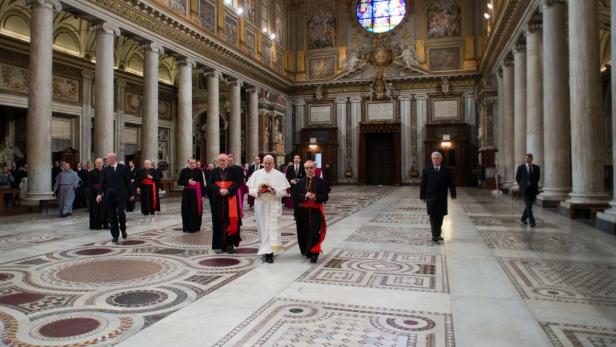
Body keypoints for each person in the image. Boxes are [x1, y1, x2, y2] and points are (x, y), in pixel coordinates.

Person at [247, 155, 291, 263]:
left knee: (272, 228)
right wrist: (258, 191)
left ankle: (270, 252)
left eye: (269, 163)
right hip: (261, 205)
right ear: (262, 163)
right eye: (265, 163)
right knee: (262, 228)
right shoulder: (256, 174)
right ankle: (264, 249)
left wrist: (275, 191)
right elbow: (250, 190)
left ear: (273, 164)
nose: (267, 165)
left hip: (274, 205)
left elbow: (285, 192)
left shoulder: (279, 175)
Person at [293, 160, 330, 263]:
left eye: (311, 167)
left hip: (315, 211)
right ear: (304, 169)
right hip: (302, 212)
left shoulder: (321, 181)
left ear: (314, 168)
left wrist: (315, 197)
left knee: (314, 230)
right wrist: (305, 195)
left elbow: (325, 197)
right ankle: (306, 250)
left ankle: (314, 252)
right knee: (303, 230)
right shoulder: (300, 182)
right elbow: (295, 196)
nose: (309, 170)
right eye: (307, 168)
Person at [207, 153, 243, 253]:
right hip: (217, 200)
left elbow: (238, 182)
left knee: (230, 221)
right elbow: (209, 184)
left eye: (224, 160)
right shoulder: (214, 171)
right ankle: (219, 244)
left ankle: (229, 244)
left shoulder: (233, 171)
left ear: (228, 161)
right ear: (217, 162)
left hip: (230, 200)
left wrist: (228, 190)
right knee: (218, 222)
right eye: (220, 160)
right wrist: (219, 190)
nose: (222, 162)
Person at [96, 153, 134, 243]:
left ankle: (123, 229)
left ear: (114, 158)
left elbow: (128, 181)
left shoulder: (123, 168)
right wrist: (99, 194)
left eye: (109, 158)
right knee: (112, 217)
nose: (107, 160)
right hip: (110, 196)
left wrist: (131, 194)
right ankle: (115, 235)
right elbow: (101, 183)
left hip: (121, 195)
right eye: (107, 158)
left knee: (121, 213)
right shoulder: (106, 170)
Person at [420, 151, 456, 242]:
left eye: (437, 158)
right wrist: (422, 196)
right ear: (432, 160)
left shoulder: (447, 170)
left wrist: (453, 194)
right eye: (434, 158)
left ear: (441, 159)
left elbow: (451, 183)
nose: (436, 160)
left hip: (442, 197)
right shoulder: (426, 170)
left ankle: (438, 234)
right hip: (431, 197)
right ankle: (434, 235)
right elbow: (423, 184)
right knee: (433, 216)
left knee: (440, 216)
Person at [178, 159, 206, 233]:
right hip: (187, 193)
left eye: (194, 163)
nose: (192, 164)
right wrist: (188, 182)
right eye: (191, 163)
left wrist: (203, 195)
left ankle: (196, 227)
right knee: (186, 209)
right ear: (188, 163)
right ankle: (187, 227)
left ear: (196, 163)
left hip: (197, 193)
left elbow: (202, 183)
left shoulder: (199, 171)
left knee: (196, 210)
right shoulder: (184, 171)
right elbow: (179, 182)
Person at [516, 153, 540, 227]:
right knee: (529, 205)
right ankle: (532, 221)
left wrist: (533, 185)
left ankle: (523, 218)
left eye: (528, 158)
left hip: (533, 189)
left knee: (529, 205)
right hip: (525, 189)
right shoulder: (521, 167)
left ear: (531, 159)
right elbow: (517, 178)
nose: (527, 159)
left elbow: (537, 177)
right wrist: (522, 185)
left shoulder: (536, 167)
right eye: (525, 158)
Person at [88, 158, 107, 229]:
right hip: (94, 195)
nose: (99, 164)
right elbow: (90, 184)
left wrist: (103, 191)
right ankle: (96, 225)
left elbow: (108, 183)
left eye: (100, 163)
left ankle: (105, 224)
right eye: (97, 163)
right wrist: (98, 191)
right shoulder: (91, 172)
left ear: (103, 163)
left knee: (105, 210)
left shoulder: (106, 171)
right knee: (95, 210)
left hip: (105, 193)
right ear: (95, 164)